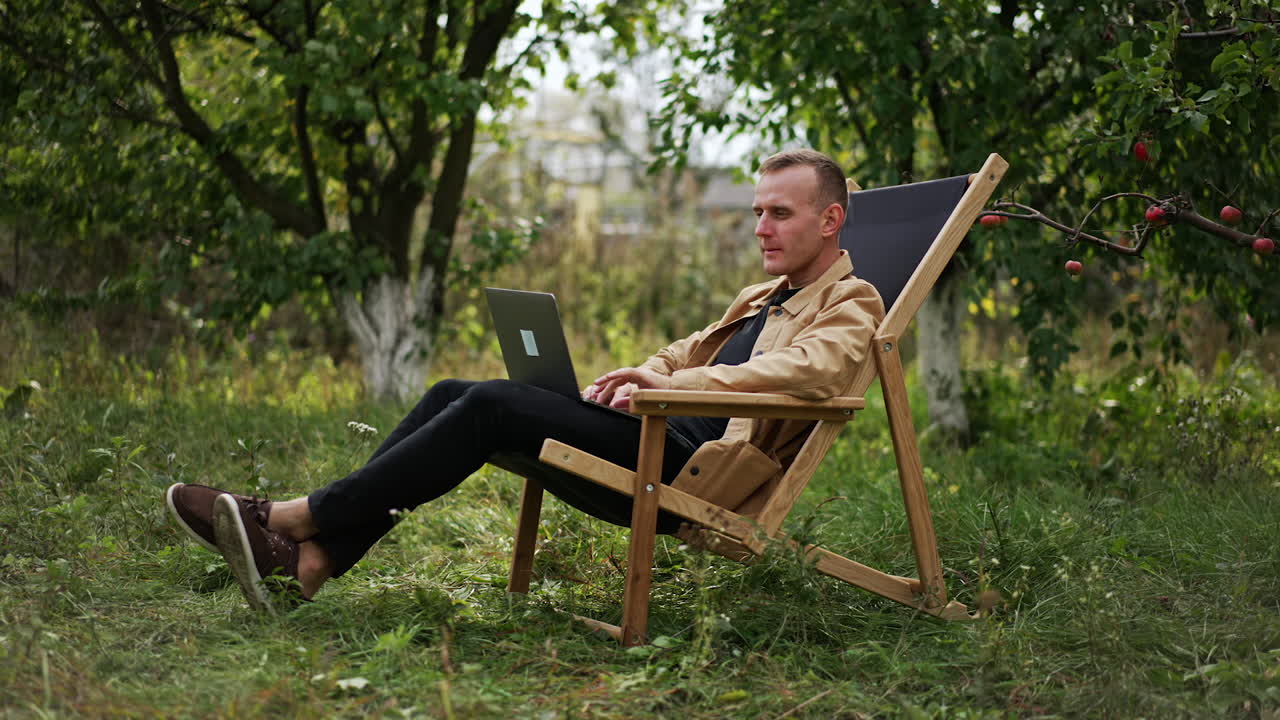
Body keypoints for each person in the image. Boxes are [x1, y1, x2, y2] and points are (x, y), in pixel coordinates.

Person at [164, 148, 885, 614]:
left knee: (492, 405)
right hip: (658, 433)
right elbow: (679, 353)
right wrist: (646, 375)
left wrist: (681, 387)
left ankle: (293, 519)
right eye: (756, 211)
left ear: (829, 221)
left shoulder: (854, 303)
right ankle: (316, 561)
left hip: (693, 473)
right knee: (453, 391)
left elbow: (816, 373)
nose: (760, 226)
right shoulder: (761, 299)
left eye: (778, 213)